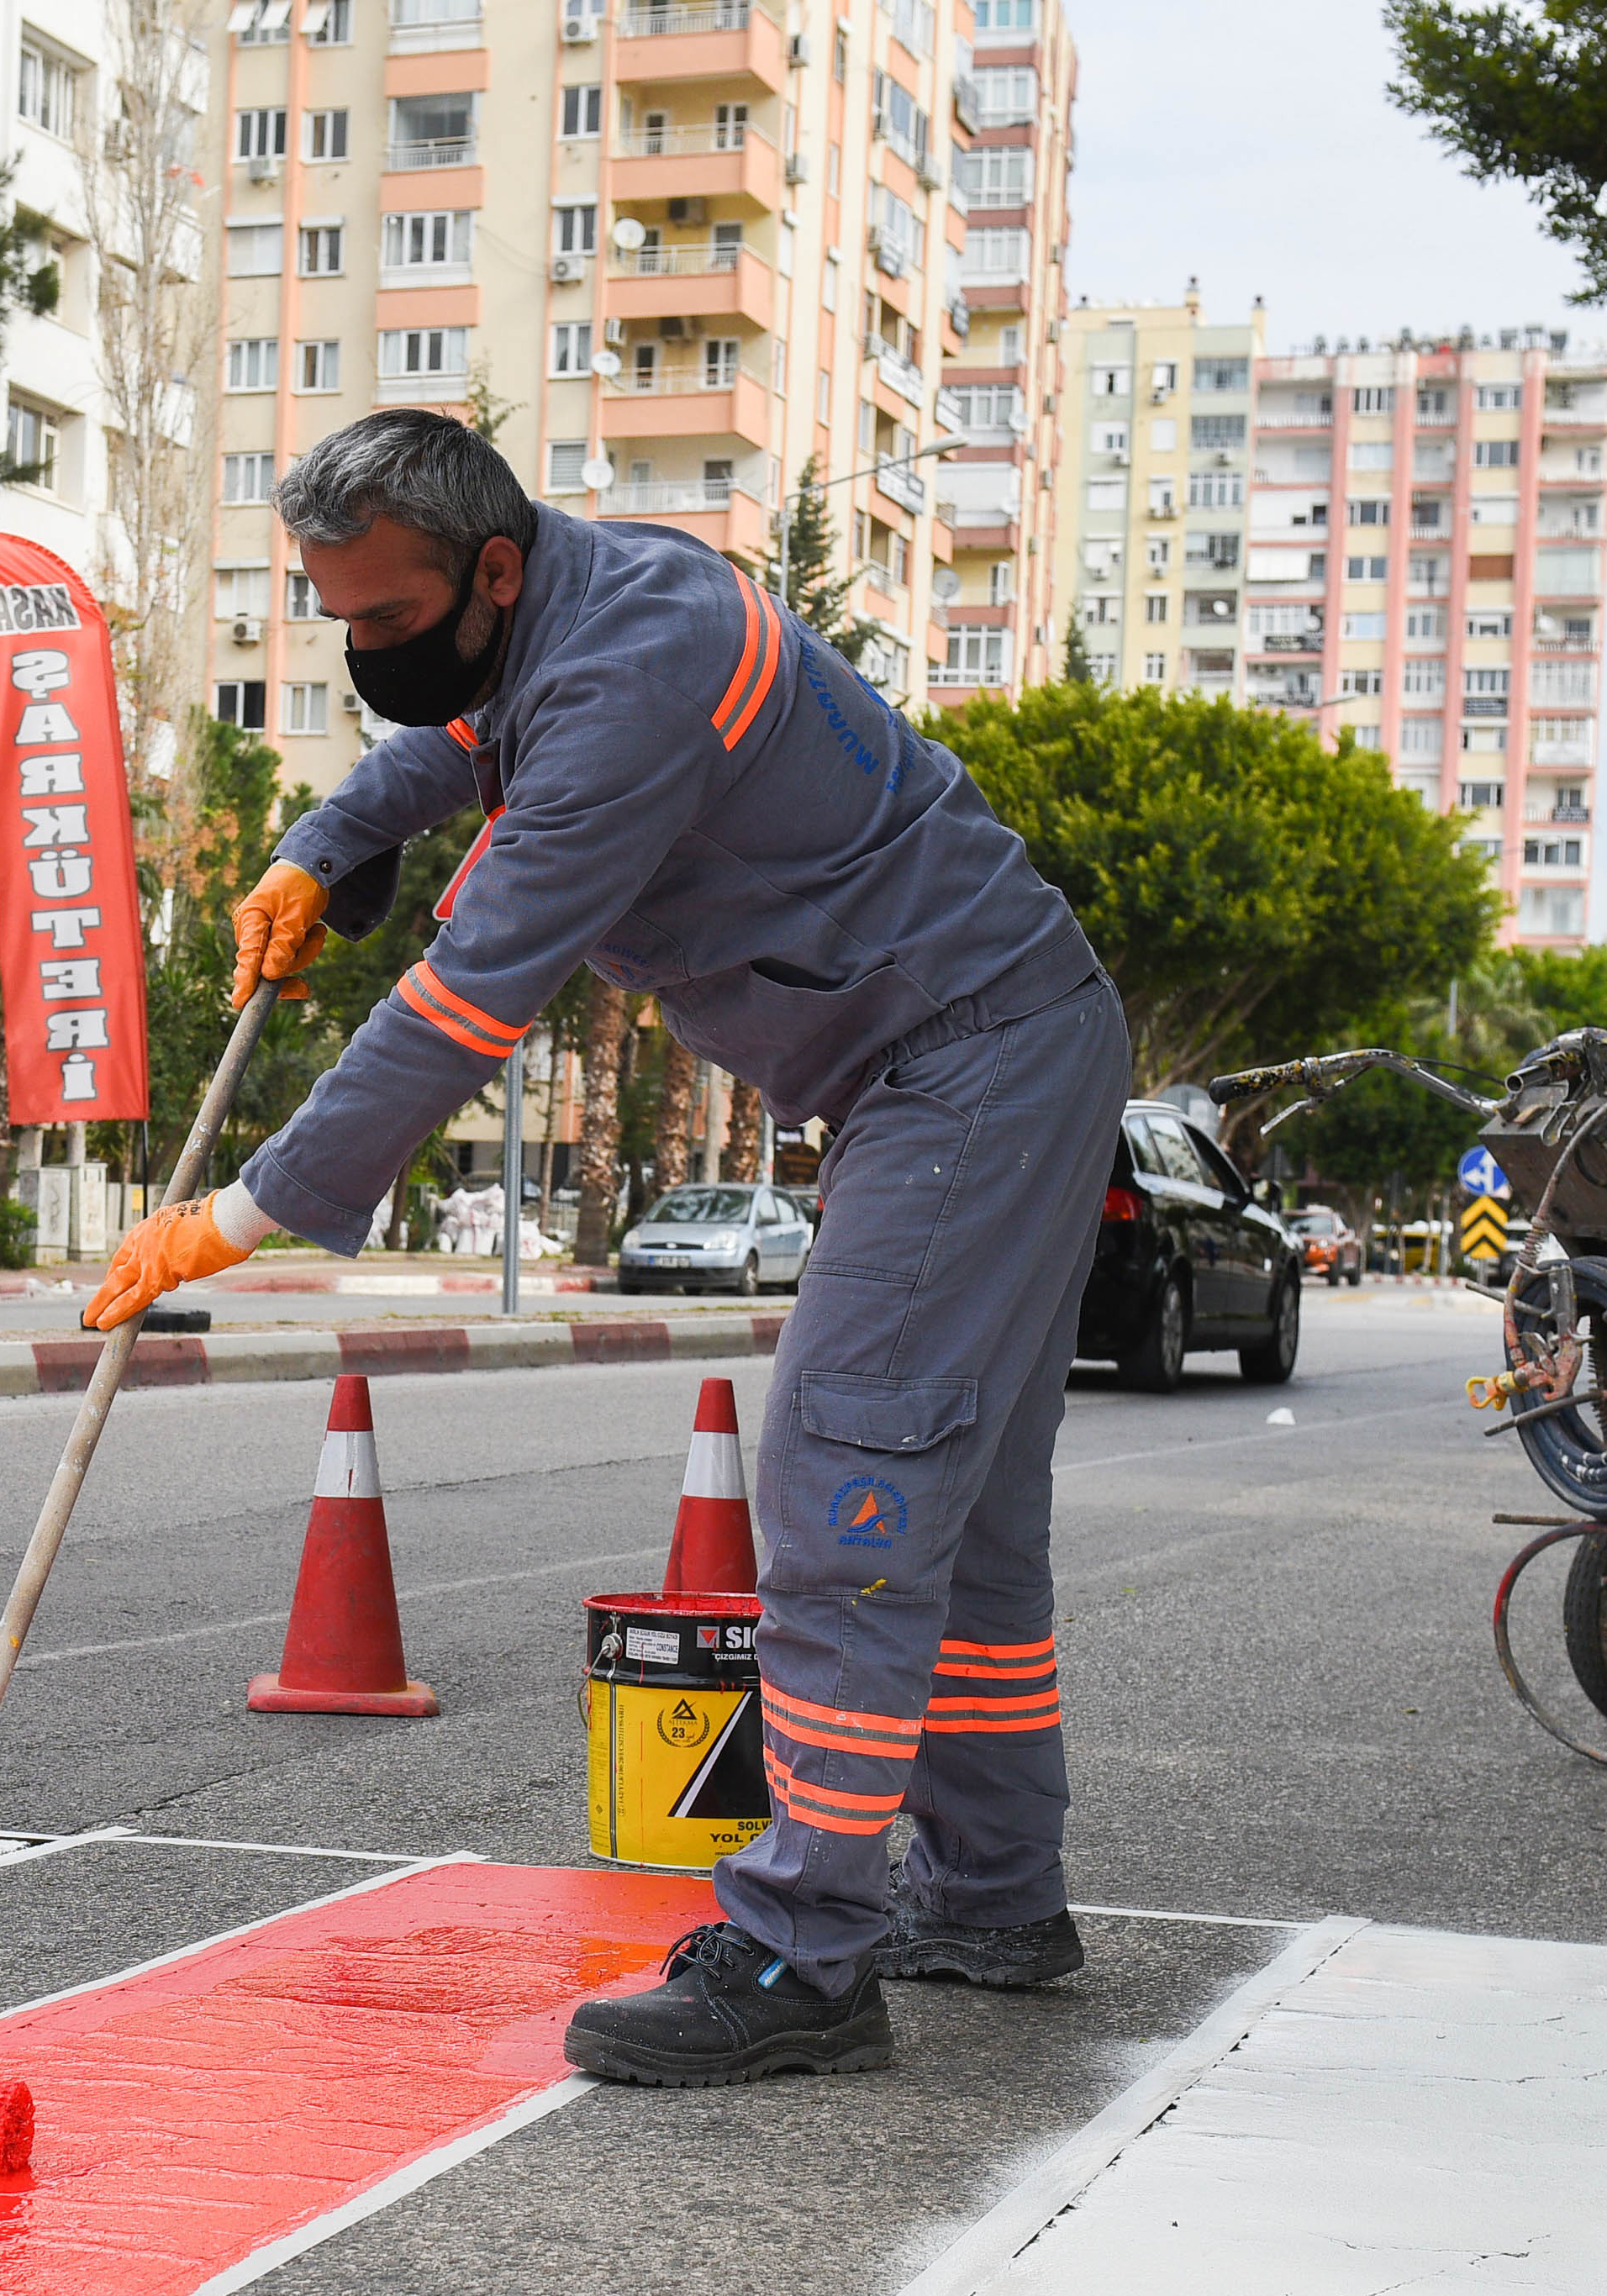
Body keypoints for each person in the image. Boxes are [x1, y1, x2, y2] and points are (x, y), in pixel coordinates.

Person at [85, 411, 1129, 2089]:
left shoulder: (639, 668)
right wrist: (321, 847)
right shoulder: (558, 611)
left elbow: (463, 1001)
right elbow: (453, 743)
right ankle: (995, 1898)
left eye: (392, 622)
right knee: (965, 1521)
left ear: (492, 573)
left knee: (846, 1487)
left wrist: (237, 1217)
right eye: (336, 621)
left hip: (970, 1059)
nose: (368, 653)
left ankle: (804, 1952)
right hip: (973, 1053)